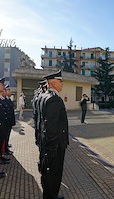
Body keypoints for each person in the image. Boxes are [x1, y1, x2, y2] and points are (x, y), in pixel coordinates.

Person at [39, 70, 68, 199]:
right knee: (54, 172)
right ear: (54, 83)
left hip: (48, 141)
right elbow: (50, 124)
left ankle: (49, 194)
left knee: (48, 171)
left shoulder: (44, 96)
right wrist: (54, 143)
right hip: (55, 143)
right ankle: (51, 196)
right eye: (60, 81)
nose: (62, 84)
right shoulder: (54, 99)